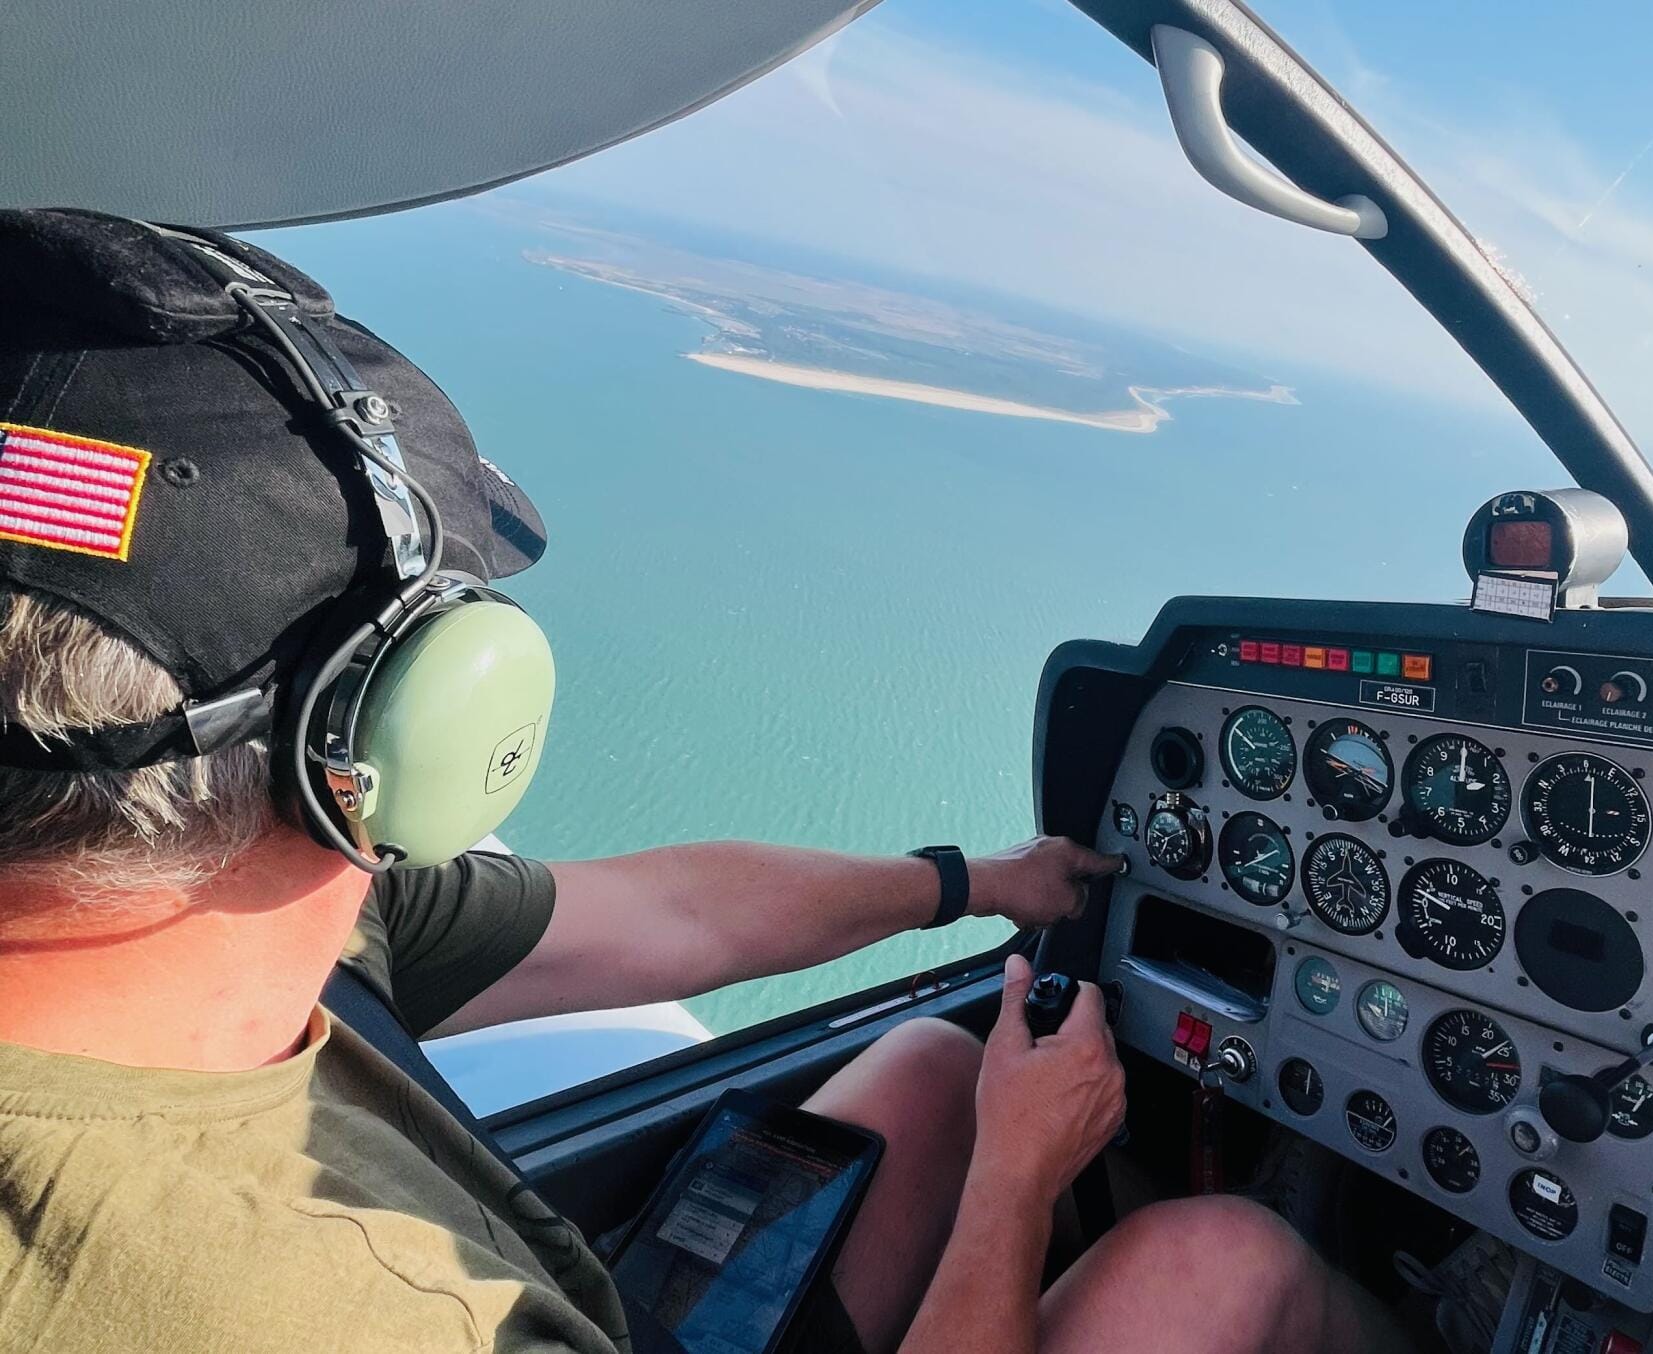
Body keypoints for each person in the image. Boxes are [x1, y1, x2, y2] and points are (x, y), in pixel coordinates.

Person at [0, 210, 1408, 1353]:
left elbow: (674, 915)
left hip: (598, 1286)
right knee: (1217, 1264)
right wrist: (1017, 1190)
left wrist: (973, 884)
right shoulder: (339, 1313)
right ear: (384, 726)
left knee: (928, 1066)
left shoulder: (272, 918)